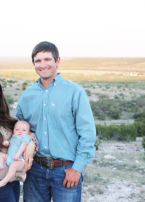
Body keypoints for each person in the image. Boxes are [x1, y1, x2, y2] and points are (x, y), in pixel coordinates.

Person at [14, 41, 96, 202]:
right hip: (34, 170)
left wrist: (77, 168)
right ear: (34, 64)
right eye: (38, 61)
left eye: (47, 59)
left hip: (66, 170)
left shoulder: (75, 93)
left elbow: (87, 134)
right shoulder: (27, 95)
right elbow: (17, 128)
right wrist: (29, 140)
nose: (43, 65)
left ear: (57, 61)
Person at [0, 120, 32, 188]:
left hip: (19, 160)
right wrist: (6, 143)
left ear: (28, 133)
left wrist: (18, 154)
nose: (20, 131)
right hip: (9, 157)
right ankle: (0, 164)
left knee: (13, 166)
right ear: (13, 130)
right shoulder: (13, 137)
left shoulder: (26, 137)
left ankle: (4, 181)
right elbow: (11, 143)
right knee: (0, 155)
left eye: (24, 130)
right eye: (17, 129)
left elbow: (23, 146)